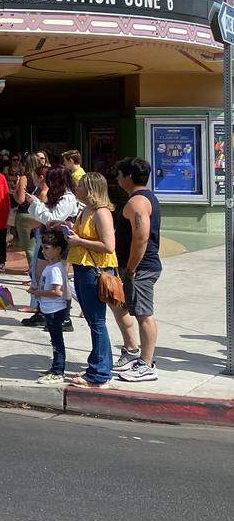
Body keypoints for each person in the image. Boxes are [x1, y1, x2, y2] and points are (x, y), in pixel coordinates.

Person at [63, 172, 118, 388]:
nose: (77, 189)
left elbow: (109, 246)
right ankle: (98, 364)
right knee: (92, 320)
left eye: (81, 186)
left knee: (97, 321)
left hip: (95, 271)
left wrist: (79, 240)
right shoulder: (84, 210)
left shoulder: (101, 212)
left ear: (92, 190)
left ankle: (100, 373)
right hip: (81, 268)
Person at [112, 157, 162, 382]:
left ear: (129, 176)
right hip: (138, 268)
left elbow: (140, 238)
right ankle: (136, 354)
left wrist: (131, 268)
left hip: (141, 268)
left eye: (120, 174)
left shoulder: (137, 202)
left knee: (144, 314)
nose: (117, 178)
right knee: (130, 309)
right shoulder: (142, 198)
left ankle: (147, 364)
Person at [22, 166, 81, 331]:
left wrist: (36, 204)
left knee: (60, 280)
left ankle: (65, 319)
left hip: (60, 242)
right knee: (41, 276)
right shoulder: (58, 196)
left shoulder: (67, 198)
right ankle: (43, 313)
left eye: (50, 179)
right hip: (48, 239)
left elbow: (53, 219)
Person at [28, 227, 71, 384]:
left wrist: (39, 293)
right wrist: (37, 290)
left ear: (58, 249)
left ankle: (58, 370)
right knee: (54, 340)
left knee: (57, 341)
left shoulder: (55, 269)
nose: (44, 252)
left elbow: (57, 292)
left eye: (47, 248)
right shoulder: (50, 266)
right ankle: (56, 367)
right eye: (42, 248)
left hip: (55, 309)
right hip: (50, 309)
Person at [12, 153, 45, 283]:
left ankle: (34, 276)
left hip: (25, 214)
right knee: (38, 245)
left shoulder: (24, 178)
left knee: (29, 248)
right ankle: (39, 274)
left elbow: (20, 200)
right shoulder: (43, 178)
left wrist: (14, 193)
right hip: (38, 215)